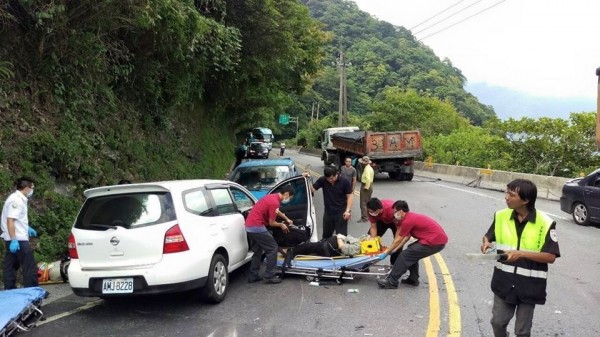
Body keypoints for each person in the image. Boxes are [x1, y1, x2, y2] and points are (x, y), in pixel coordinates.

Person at [481, 179, 560, 337]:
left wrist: (521, 253)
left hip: (529, 286)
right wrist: (486, 244)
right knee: (497, 322)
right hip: (503, 282)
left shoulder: (546, 223)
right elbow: (488, 237)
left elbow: (551, 256)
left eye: (511, 194)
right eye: (506, 192)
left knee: (522, 331)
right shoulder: (501, 216)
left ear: (525, 200)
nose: (506, 197)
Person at [376, 200, 448, 289]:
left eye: (395, 211)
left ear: (401, 211)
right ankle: (413, 279)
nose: (394, 214)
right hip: (436, 240)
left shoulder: (408, 220)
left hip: (434, 242)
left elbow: (399, 239)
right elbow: (407, 237)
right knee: (412, 251)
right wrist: (394, 249)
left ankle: (392, 281)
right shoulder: (409, 217)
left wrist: (387, 252)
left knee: (405, 255)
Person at [245, 184, 295, 284]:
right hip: (257, 226)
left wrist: (286, 219)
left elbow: (277, 211)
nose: (289, 199)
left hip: (249, 226)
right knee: (272, 248)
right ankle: (269, 276)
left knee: (258, 250)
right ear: (286, 194)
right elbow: (272, 223)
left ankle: (253, 276)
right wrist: (281, 225)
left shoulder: (272, 197)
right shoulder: (275, 202)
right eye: (290, 197)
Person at [1, 177, 39, 289]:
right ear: (27, 188)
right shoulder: (17, 200)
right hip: (18, 239)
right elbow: (10, 220)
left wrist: (27, 228)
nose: (32, 190)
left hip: (14, 238)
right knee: (29, 266)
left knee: (11, 266)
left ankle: (10, 290)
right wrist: (14, 239)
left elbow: (16, 219)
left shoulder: (17, 198)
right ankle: (32, 291)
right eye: (32, 187)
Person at [310, 166, 353, 239]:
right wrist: (307, 179)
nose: (330, 180)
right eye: (328, 178)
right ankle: (326, 249)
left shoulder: (345, 181)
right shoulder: (323, 180)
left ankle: (340, 250)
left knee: (341, 237)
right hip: (328, 213)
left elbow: (350, 196)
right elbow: (312, 190)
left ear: (337, 174)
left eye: (332, 178)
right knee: (326, 236)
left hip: (341, 213)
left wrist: (348, 211)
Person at [365, 197, 401, 264]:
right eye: (369, 211)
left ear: (378, 210)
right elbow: (373, 227)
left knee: (398, 244)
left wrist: (394, 245)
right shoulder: (370, 210)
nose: (370, 213)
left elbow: (399, 229)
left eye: (371, 212)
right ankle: (367, 264)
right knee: (369, 241)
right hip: (381, 221)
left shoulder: (392, 210)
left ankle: (394, 265)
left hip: (394, 222)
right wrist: (373, 240)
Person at [358, 156, 374, 222]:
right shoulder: (369, 168)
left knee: (363, 202)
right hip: (370, 185)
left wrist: (366, 187)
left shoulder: (367, 169)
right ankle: (367, 216)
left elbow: (367, 178)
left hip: (366, 185)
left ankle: (364, 217)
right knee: (367, 202)